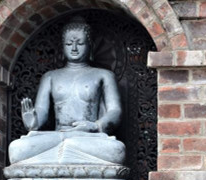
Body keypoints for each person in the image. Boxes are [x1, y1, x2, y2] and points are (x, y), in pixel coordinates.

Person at [8, 18, 126, 167]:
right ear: (63, 47)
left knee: (116, 150)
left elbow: (115, 111)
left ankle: (61, 156)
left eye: (80, 43)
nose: (74, 48)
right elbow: (42, 111)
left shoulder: (104, 75)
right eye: (69, 44)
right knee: (17, 149)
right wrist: (33, 122)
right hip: (57, 136)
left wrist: (96, 126)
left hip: (88, 138)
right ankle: (67, 155)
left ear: (90, 46)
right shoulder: (50, 77)